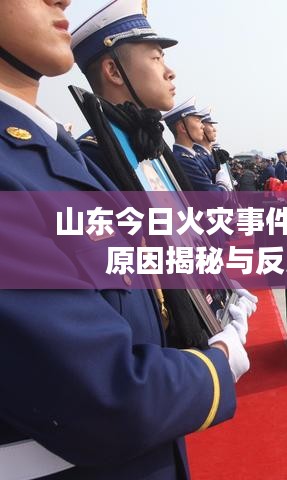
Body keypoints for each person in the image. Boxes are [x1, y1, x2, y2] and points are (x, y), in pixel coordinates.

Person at [0, 1, 251, 479]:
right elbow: (103, 395)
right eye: (154, 57)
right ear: (114, 70)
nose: (62, 0)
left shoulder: (57, 153)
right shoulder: (40, 162)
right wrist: (219, 363)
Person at [163, 97, 232, 191]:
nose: (202, 126)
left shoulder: (192, 156)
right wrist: (222, 184)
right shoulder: (184, 160)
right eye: (197, 120)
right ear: (182, 127)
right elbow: (216, 197)